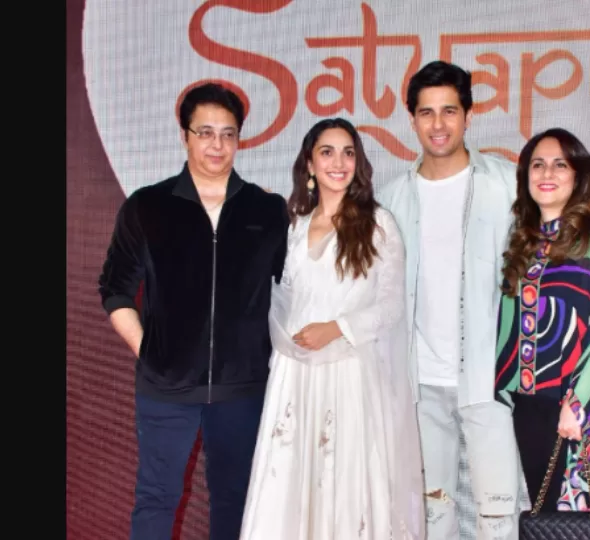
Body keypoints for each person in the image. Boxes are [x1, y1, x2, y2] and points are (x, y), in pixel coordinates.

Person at [376, 60, 590, 540]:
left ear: (468, 115)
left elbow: (571, 248)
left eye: (449, 110)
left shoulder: (506, 186)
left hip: (491, 381)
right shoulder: (391, 198)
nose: (438, 124)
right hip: (419, 383)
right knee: (431, 515)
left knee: (500, 515)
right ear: (411, 119)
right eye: (426, 112)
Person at [97, 83, 289, 540]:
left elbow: (291, 289)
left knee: (235, 500)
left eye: (227, 134)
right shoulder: (148, 206)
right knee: (156, 498)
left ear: (239, 138)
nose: (216, 145)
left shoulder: (267, 209)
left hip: (242, 389)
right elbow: (115, 289)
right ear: (184, 135)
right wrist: (150, 351)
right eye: (205, 132)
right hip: (165, 388)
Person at [239, 118, 425, 540]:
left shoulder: (378, 224)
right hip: (295, 375)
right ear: (309, 163)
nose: (338, 162)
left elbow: (391, 305)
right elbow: (284, 295)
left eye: (348, 153)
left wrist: (337, 328)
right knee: (290, 480)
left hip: (350, 374)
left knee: (346, 482)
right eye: (327, 152)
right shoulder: (295, 226)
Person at [495, 128, 590, 539]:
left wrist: (579, 404)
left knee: (587, 519)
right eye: (537, 164)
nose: (547, 173)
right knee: (551, 524)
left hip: (582, 406)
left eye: (560, 164)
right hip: (531, 405)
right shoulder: (524, 240)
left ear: (577, 176)